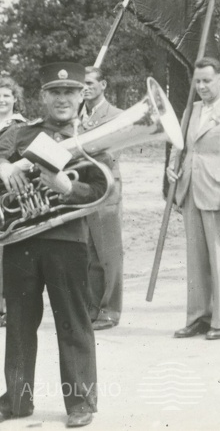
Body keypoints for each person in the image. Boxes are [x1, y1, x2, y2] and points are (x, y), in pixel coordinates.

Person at [0, 62, 111, 428]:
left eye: (70, 92)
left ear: (82, 95)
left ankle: (80, 403)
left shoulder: (94, 137)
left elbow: (107, 189)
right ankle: (16, 399)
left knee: (73, 321)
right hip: (20, 241)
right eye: (55, 92)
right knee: (18, 323)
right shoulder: (20, 133)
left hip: (67, 240)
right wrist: (4, 167)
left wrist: (69, 188)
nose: (63, 99)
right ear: (43, 96)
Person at [167, 57, 220, 341]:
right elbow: (180, 145)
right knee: (196, 261)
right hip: (191, 190)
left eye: (207, 80)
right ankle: (197, 318)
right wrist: (172, 166)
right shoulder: (191, 110)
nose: (202, 86)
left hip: (219, 195)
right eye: (198, 81)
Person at [80, 66, 124, 331]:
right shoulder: (76, 115)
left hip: (106, 185)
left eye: (89, 83)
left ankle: (110, 309)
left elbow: (116, 152)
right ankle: (92, 307)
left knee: (109, 251)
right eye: (81, 84)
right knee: (88, 250)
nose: (84, 88)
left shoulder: (116, 116)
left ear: (104, 85)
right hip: (83, 187)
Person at [0, 77, 26, 329]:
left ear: (15, 99)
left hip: (6, 197)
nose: (1, 99)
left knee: (7, 251)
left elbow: (5, 156)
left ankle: (7, 307)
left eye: (6, 95)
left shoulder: (17, 127)